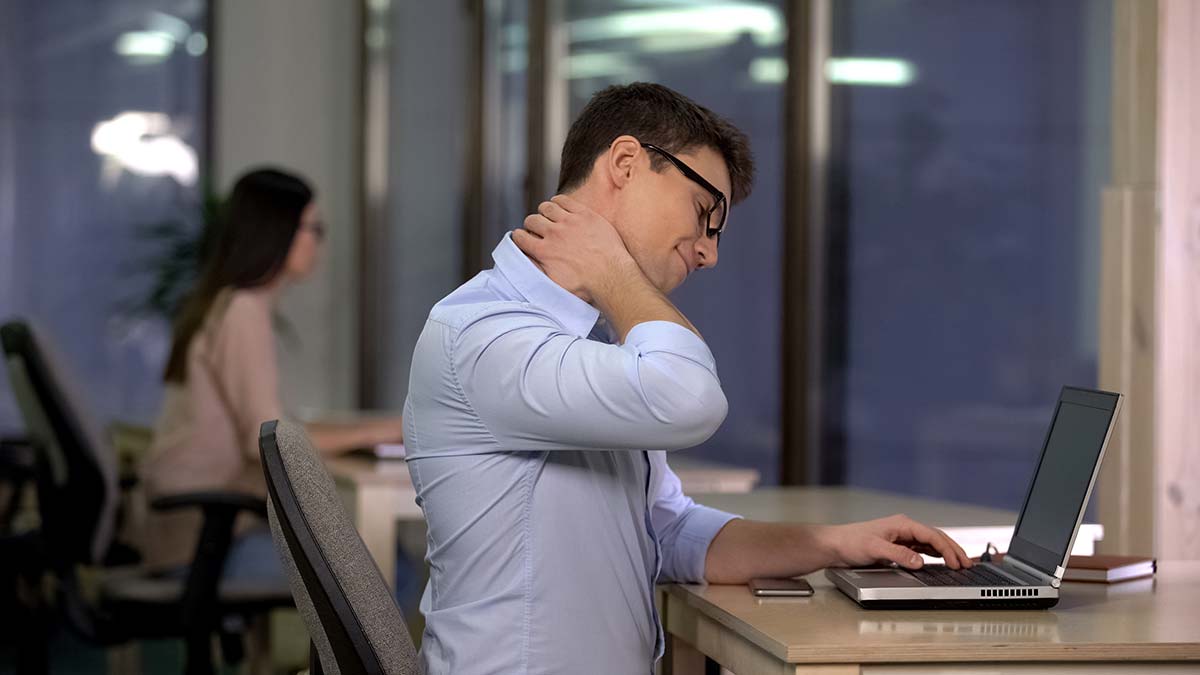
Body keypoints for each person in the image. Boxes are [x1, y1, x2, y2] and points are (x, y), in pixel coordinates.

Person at [403, 83, 972, 675]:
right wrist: (614, 270)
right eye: (706, 215)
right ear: (625, 164)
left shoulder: (588, 341)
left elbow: (668, 531)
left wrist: (833, 545)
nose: (709, 253)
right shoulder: (486, 333)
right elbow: (689, 400)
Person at [141, 167, 405, 580]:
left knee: (376, 564)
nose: (319, 241)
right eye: (313, 227)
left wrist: (368, 428)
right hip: (202, 541)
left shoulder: (226, 303)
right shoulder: (243, 311)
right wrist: (381, 432)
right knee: (390, 572)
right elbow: (264, 440)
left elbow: (270, 425)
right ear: (279, 231)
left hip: (196, 527)